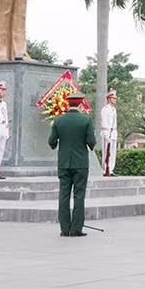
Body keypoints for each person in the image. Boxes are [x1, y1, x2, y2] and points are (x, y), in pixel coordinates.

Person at [48, 92, 96, 237]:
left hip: (63, 163)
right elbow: (91, 143)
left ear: (68, 104)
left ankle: (64, 229)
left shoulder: (58, 120)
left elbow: (51, 142)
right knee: (79, 195)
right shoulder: (86, 120)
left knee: (63, 195)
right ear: (80, 104)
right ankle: (76, 228)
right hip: (80, 163)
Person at [100, 90, 118, 177]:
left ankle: (111, 169)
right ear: (109, 99)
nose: (115, 100)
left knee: (112, 152)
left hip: (113, 132)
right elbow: (104, 122)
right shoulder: (105, 109)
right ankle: (105, 169)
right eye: (114, 98)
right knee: (106, 152)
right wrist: (106, 134)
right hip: (107, 132)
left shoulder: (114, 109)